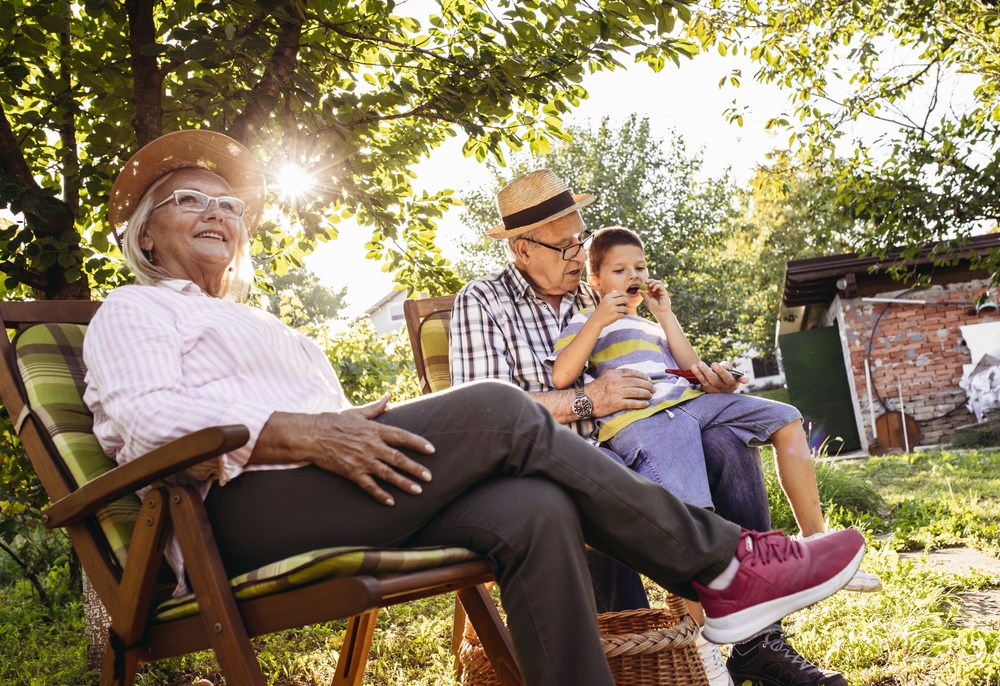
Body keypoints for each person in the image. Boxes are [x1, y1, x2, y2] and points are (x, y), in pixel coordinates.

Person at [83, 130, 866, 686]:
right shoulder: (136, 309)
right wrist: (307, 433)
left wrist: (346, 426)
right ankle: (724, 565)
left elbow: (336, 427)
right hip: (226, 513)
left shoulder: (265, 327)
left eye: (231, 206)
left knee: (531, 507)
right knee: (496, 406)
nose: (219, 214)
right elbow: (149, 422)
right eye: (190, 201)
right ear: (145, 235)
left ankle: (716, 582)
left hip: (332, 488)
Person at [450, 170, 873, 686]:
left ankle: (756, 643)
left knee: (726, 441)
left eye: (580, 241)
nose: (578, 256)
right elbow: (484, 414)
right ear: (522, 250)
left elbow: (653, 365)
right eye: (564, 247)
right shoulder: (484, 301)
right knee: (595, 483)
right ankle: (635, 657)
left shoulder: (598, 296)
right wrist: (588, 399)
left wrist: (704, 381)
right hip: (556, 459)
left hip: (639, 434)